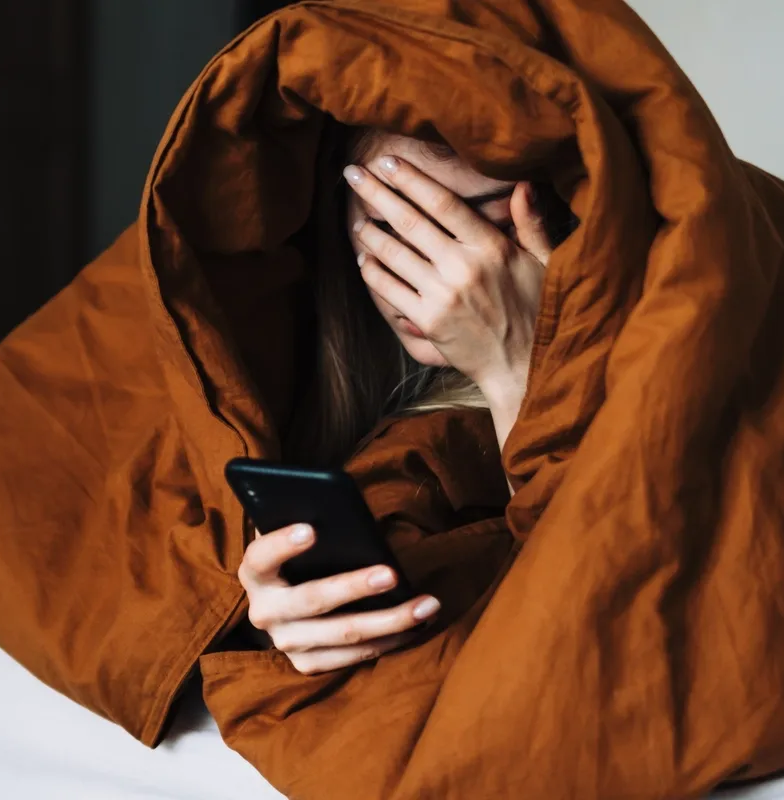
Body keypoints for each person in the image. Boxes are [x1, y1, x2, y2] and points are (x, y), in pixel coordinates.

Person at [234, 126, 579, 675]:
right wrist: (275, 617)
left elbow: (586, 617)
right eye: (391, 225)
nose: (445, 279)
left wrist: (514, 362)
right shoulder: (299, 363)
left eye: (479, 224)